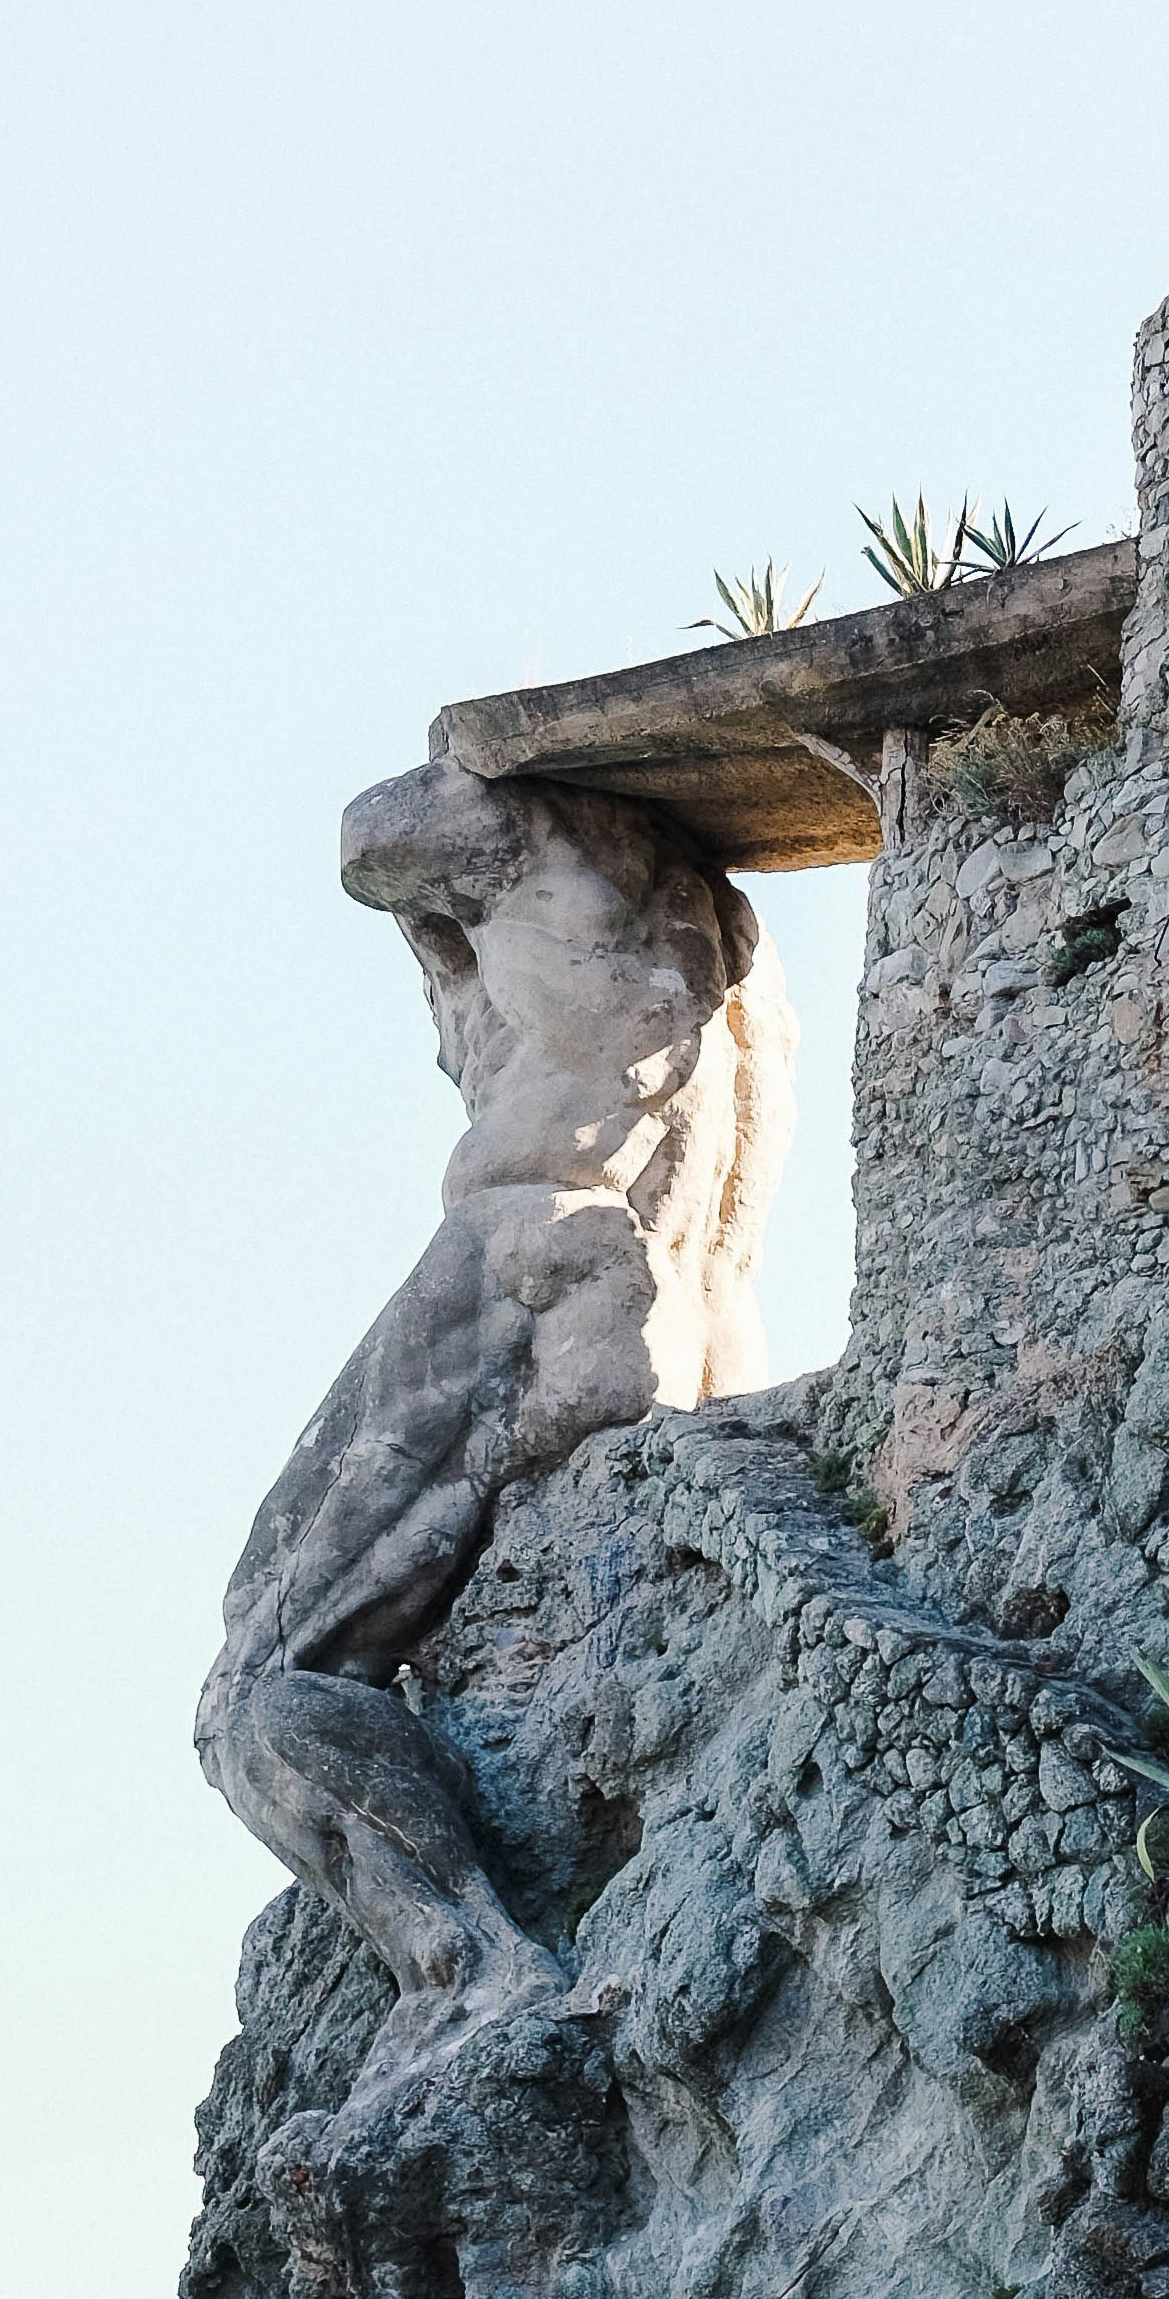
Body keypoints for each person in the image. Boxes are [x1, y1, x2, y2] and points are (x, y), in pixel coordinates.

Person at [194, 752, 787, 2055]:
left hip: (534, 1259)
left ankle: (469, 1970)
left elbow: (379, 836)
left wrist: (488, 752)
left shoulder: (538, 853)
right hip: (694, 1319)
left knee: (257, 1688)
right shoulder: (731, 944)